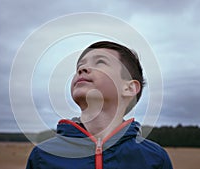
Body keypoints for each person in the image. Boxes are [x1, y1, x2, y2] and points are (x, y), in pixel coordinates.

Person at [26, 41, 173, 169]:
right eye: (80, 66)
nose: (81, 69)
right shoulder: (43, 156)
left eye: (100, 62)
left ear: (129, 88)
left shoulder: (154, 159)